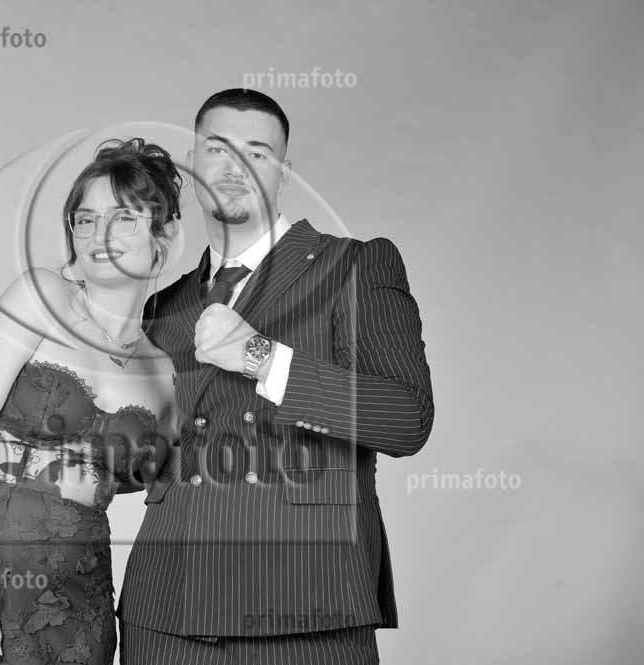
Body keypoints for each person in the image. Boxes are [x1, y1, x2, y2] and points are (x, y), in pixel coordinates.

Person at [117, 89, 435, 664]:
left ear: (284, 174)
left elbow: (405, 419)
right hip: (163, 611)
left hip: (305, 608)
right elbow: (150, 459)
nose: (234, 167)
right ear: (191, 165)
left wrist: (261, 356)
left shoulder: (353, 265)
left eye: (258, 153)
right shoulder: (163, 305)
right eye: (217, 149)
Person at [0, 138, 182, 665]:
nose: (99, 235)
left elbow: (153, 482)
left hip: (80, 596)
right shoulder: (41, 297)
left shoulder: (163, 373)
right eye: (85, 219)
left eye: (123, 218)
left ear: (163, 235)